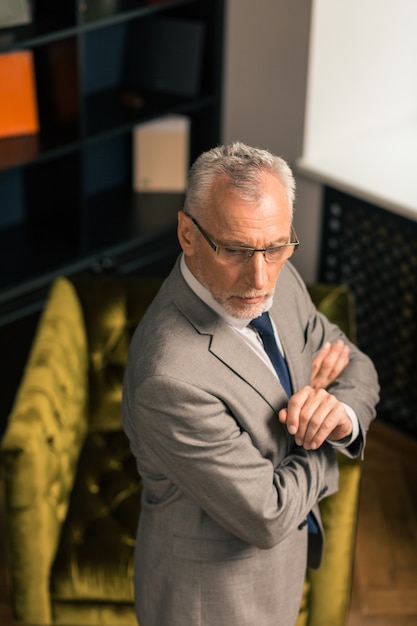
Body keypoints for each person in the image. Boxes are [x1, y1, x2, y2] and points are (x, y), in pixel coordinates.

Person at [122, 142, 379, 626]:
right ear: (187, 234)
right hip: (212, 600)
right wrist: (325, 439)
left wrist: (339, 414)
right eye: (236, 250)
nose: (260, 278)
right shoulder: (169, 379)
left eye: (276, 247)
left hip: (280, 574)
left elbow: (356, 364)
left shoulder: (279, 273)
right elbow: (269, 513)